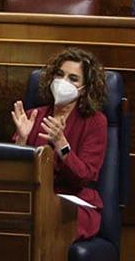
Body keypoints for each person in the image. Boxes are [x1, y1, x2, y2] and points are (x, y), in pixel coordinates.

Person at [12, 47, 107, 241]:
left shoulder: (95, 122)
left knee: (45, 222)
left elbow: (84, 176)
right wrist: (21, 141)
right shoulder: (32, 116)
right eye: (60, 74)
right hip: (35, 199)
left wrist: (61, 143)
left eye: (73, 78)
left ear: (85, 89)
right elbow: (13, 173)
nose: (63, 82)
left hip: (73, 203)